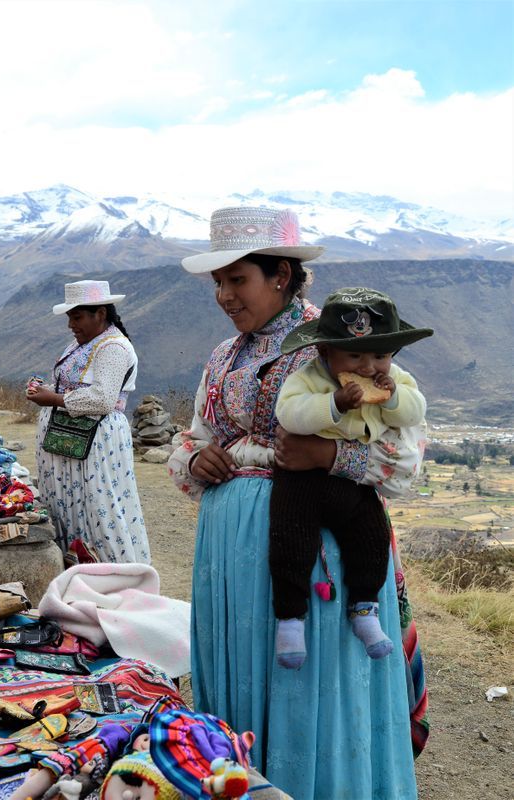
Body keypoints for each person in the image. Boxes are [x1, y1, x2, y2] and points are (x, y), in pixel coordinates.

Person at [168, 206, 429, 800]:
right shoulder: (224, 357)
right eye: (219, 282)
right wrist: (194, 459)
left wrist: (331, 459)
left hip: (319, 551)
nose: (224, 296)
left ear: (281, 274)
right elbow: (197, 435)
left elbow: (404, 461)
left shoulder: (340, 344)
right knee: (247, 685)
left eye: (238, 280)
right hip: (230, 555)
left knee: (313, 688)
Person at [270, 287, 433, 669]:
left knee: (372, 535)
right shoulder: (307, 378)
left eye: (381, 355)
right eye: (355, 354)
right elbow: (290, 414)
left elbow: (414, 411)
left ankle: (365, 609)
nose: (368, 367)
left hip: (354, 484)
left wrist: (393, 398)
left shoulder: (397, 380)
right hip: (303, 480)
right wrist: (334, 405)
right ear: (325, 352)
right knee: (291, 538)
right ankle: (290, 617)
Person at [26, 279, 150, 564]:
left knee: (96, 503)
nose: (71, 324)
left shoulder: (114, 348)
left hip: (96, 440)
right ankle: (74, 564)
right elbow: (73, 383)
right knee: (69, 503)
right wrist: (43, 390)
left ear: (101, 314)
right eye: (70, 317)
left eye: (77, 316)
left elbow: (103, 399)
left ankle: (110, 570)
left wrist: (54, 400)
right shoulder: (83, 343)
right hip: (69, 437)